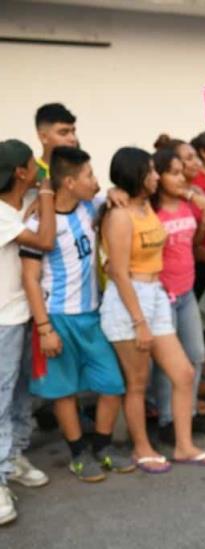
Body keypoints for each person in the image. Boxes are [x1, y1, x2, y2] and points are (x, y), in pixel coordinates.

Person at [100, 147, 205, 472]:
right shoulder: (119, 215)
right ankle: (142, 448)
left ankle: (184, 446)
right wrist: (139, 322)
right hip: (130, 301)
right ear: (135, 175)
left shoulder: (143, 206)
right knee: (138, 383)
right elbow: (118, 272)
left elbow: (192, 195)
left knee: (183, 373)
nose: (156, 176)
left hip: (156, 294)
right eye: (150, 171)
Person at [20, 146, 134, 482]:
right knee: (64, 391)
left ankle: (102, 445)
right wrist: (44, 328)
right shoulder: (40, 223)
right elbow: (30, 277)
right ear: (69, 182)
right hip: (56, 318)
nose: (95, 181)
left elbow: (113, 195)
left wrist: (113, 191)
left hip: (91, 316)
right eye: (88, 176)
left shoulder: (91, 207)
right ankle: (79, 454)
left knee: (112, 384)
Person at [150, 147, 205, 442]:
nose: (180, 177)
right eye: (173, 172)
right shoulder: (150, 210)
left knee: (195, 354)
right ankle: (167, 419)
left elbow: (191, 246)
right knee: (168, 363)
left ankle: (188, 413)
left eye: (182, 172)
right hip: (162, 295)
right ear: (158, 176)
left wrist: (202, 223)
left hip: (186, 292)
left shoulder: (185, 206)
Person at [0, 139, 53, 525]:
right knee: (1, 397)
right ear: (20, 172)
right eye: (33, 165)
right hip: (3, 319)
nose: (39, 170)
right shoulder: (1, 213)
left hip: (21, 314)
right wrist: (47, 193)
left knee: (20, 392)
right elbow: (45, 240)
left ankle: (15, 454)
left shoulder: (17, 207)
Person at [34, 103, 79, 182]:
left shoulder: (81, 171)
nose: (73, 139)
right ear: (43, 137)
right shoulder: (32, 175)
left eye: (73, 132)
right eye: (63, 133)